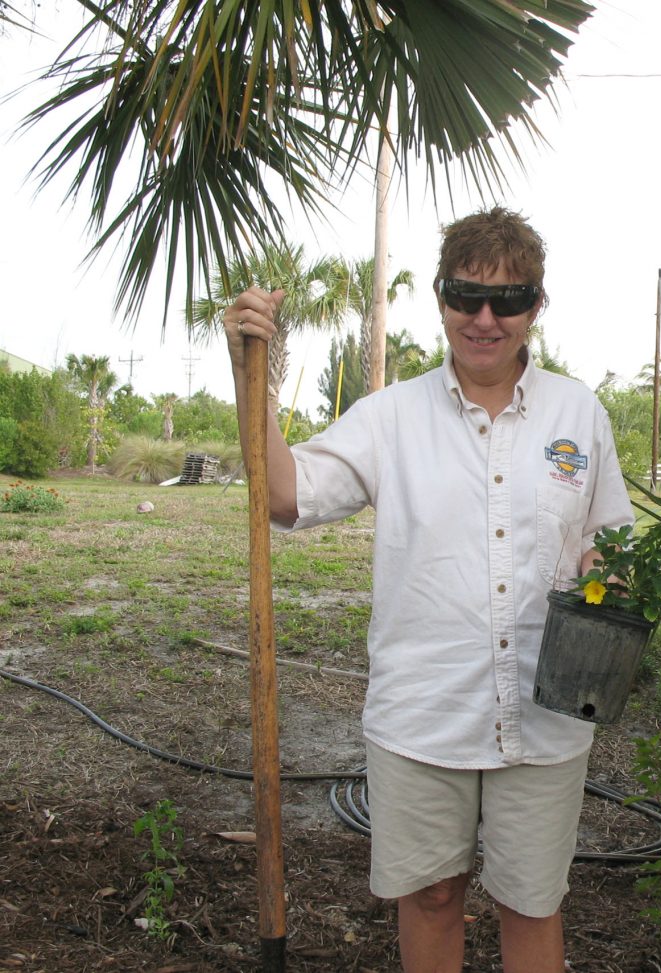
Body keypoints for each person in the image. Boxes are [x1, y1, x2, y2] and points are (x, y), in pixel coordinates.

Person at [223, 206, 633, 973]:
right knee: (434, 897)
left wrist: (604, 581)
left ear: (536, 307)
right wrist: (253, 373)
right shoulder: (391, 417)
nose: (484, 318)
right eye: (465, 295)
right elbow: (284, 494)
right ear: (441, 299)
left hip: (545, 721)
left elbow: (610, 538)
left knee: (533, 903)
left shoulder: (579, 410)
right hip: (423, 717)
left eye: (507, 300)